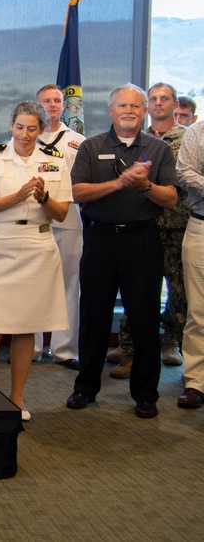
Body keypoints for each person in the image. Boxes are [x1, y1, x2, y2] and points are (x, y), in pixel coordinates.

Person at [66, 84, 178, 419]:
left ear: (144, 112)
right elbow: (76, 192)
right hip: (100, 240)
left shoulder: (158, 150)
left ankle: (145, 394)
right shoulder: (91, 146)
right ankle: (85, 387)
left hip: (141, 241)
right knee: (94, 316)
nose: (129, 111)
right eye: (123, 106)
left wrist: (144, 185)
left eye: (136, 106)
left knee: (144, 318)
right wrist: (118, 183)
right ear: (111, 110)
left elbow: (171, 198)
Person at [0, 101, 71, 421]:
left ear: (41, 130)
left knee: (26, 327)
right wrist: (20, 194)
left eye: (31, 128)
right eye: (19, 127)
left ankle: (17, 398)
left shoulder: (54, 162)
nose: (25, 135)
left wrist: (42, 196)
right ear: (10, 125)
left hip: (38, 247)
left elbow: (62, 213)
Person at [107, 83, 190, 376]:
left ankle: (171, 342)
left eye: (164, 98)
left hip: (177, 225)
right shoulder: (135, 139)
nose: (158, 103)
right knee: (137, 291)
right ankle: (129, 347)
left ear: (173, 102)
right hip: (143, 225)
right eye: (153, 99)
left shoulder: (186, 138)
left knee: (179, 292)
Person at [33, 84, 86, 369]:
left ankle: (65, 349)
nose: (52, 105)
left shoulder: (78, 141)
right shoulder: (26, 138)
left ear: (64, 106)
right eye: (46, 101)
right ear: (37, 104)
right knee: (35, 281)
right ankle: (32, 346)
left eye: (57, 101)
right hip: (35, 218)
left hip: (68, 219)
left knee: (69, 283)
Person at [177, 118, 204, 409]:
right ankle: (196, 382)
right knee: (198, 311)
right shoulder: (198, 131)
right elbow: (185, 172)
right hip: (201, 227)